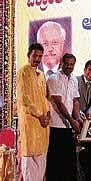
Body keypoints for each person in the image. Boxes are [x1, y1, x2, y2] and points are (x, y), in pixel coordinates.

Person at [46, 53, 82, 181]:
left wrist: (77, 117)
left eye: (71, 64)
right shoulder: (53, 78)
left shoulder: (74, 79)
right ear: (61, 63)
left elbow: (75, 100)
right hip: (55, 126)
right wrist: (72, 121)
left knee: (68, 163)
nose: (69, 66)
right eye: (66, 63)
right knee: (55, 163)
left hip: (68, 127)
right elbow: (58, 103)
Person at [16, 43, 50, 180]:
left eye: (40, 56)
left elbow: (44, 97)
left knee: (41, 161)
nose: (37, 59)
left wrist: (47, 114)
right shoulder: (23, 72)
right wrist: (40, 115)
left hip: (42, 125)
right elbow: (25, 99)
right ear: (28, 55)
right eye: (35, 55)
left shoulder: (41, 75)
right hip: (30, 123)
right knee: (29, 163)